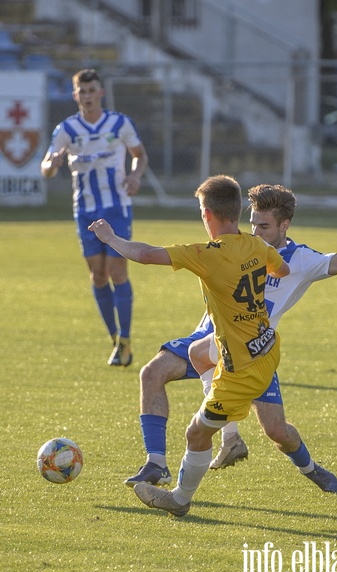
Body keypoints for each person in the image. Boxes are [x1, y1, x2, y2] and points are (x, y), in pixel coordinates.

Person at [123, 185, 337, 494]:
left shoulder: (301, 260)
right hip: (211, 337)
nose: (255, 230)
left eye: (264, 225)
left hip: (253, 351)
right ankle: (158, 462)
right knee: (153, 372)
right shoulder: (239, 243)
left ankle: (311, 469)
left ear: (285, 225)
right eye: (253, 222)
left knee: (277, 431)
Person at [89, 174, 290, 516]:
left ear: (207, 215)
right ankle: (228, 435)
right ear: (238, 211)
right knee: (199, 351)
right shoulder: (258, 246)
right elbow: (282, 270)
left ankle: (180, 499)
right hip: (267, 347)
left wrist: (110, 239)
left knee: (195, 434)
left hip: (241, 370)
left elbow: (147, 254)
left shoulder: (206, 254)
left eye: (201, 210)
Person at [41, 68, 148, 366]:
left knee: (117, 272)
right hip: (85, 209)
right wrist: (53, 163)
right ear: (75, 95)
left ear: (101, 92)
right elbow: (46, 169)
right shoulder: (67, 129)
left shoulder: (119, 123)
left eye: (92, 90)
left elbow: (139, 153)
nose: (87, 96)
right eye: (82, 91)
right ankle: (115, 340)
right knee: (98, 275)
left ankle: (125, 340)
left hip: (117, 207)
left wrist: (135, 176)